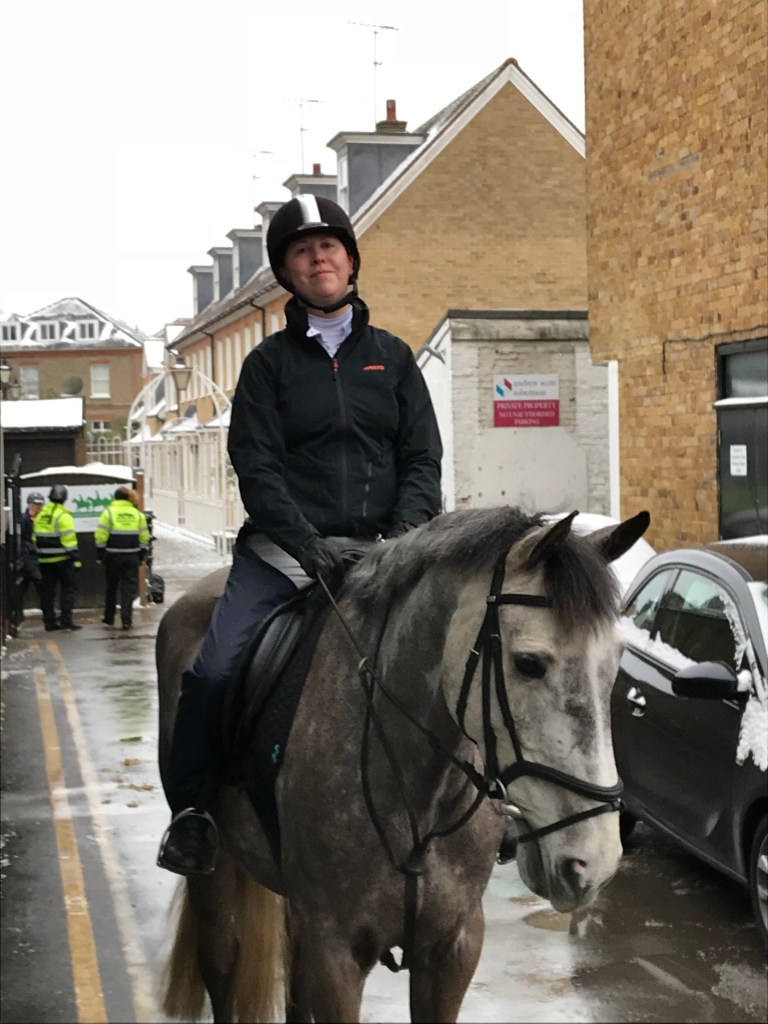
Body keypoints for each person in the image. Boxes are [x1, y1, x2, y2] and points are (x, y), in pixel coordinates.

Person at [157, 193, 443, 875]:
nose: (319, 259)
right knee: (212, 672)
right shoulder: (266, 366)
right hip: (283, 559)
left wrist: (402, 538)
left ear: (350, 261)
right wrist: (309, 545)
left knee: (461, 657)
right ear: (288, 272)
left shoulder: (395, 360)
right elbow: (256, 467)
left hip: (383, 555)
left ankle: (490, 803)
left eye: (329, 246)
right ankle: (193, 813)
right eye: (303, 251)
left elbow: (422, 459)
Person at [95, 486, 150, 630]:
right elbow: (144, 536)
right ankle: (126, 620)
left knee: (112, 587)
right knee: (128, 588)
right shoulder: (137, 514)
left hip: (113, 555)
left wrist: (100, 552)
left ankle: (109, 618)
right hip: (131, 555)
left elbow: (101, 535)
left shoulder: (108, 512)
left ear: (115, 498)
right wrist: (142, 552)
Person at [32, 485, 82, 632]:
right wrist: (76, 559)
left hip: (44, 561)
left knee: (47, 592)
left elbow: (34, 538)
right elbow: (70, 542)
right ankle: (66, 621)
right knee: (68, 589)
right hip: (62, 560)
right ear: (64, 498)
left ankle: (49, 622)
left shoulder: (41, 515)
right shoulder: (64, 516)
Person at [18, 491, 45, 616]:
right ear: (29, 504)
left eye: (40, 504)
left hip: (39, 555)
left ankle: (47, 611)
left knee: (42, 585)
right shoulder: (24, 519)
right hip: (28, 557)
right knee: (24, 585)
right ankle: (14, 611)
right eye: (35, 504)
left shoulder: (44, 519)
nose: (38, 506)